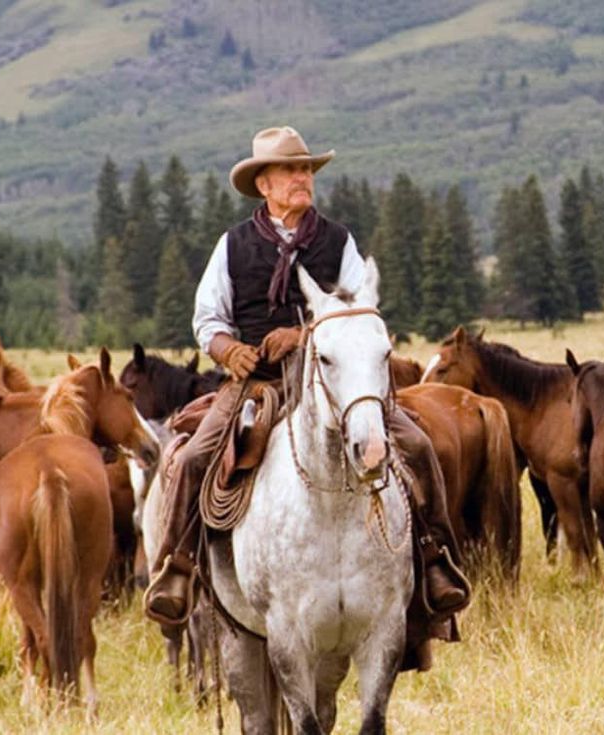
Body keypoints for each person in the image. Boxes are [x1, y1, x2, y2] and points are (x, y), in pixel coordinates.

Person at [144, 126, 469, 637]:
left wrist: (301, 335)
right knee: (191, 458)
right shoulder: (233, 245)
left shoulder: (338, 241)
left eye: (306, 170)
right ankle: (177, 570)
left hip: (334, 379)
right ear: (265, 184)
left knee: (419, 445)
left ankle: (433, 562)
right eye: (291, 171)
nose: (303, 178)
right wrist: (231, 350)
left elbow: (361, 309)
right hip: (258, 384)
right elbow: (208, 318)